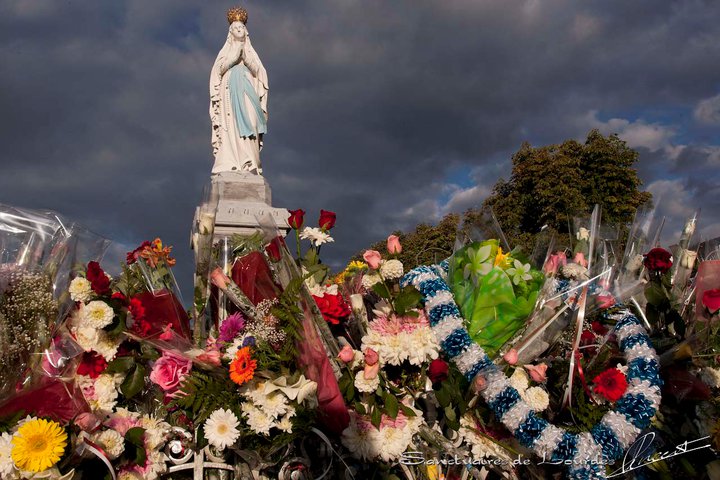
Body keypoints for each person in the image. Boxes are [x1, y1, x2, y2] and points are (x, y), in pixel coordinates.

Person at [209, 7, 268, 175]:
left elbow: (260, 73)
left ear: (246, 31)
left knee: (252, 120)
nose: (239, 29)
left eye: (241, 27)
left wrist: (246, 58)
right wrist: (234, 58)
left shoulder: (250, 52)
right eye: (236, 28)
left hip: (247, 87)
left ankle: (251, 162)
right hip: (230, 90)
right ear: (231, 32)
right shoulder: (225, 51)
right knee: (232, 124)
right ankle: (233, 161)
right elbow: (217, 71)